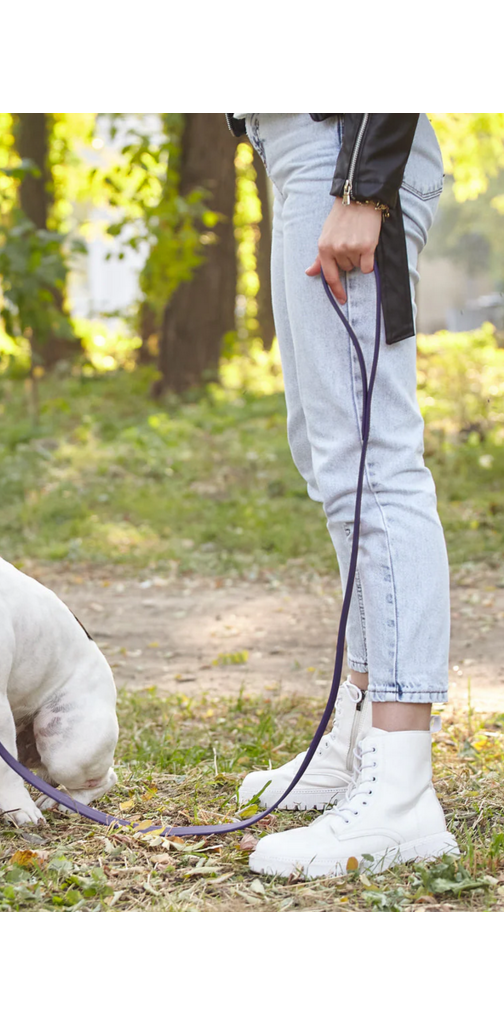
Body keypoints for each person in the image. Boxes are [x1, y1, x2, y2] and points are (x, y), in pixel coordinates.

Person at [225, 113, 459, 878]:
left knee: (371, 465)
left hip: (346, 154)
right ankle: (359, 738)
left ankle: (399, 793)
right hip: (303, 153)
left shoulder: (356, 177)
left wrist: (363, 185)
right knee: (333, 461)